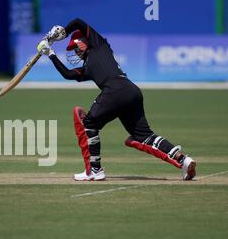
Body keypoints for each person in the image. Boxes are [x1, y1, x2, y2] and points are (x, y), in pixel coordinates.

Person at [37, 18, 196, 181]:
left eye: (76, 47)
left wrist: (61, 33)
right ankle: (184, 160)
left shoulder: (98, 44)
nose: (76, 52)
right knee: (144, 136)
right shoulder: (87, 68)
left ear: (84, 42)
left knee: (89, 123)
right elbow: (68, 74)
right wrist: (51, 54)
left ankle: (95, 170)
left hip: (115, 92)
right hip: (131, 92)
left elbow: (78, 22)